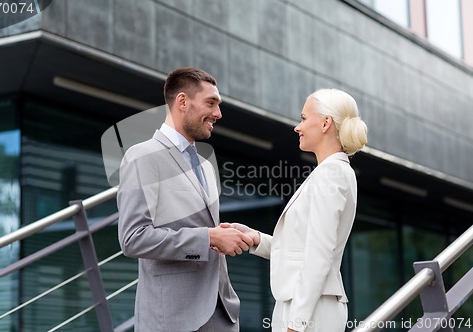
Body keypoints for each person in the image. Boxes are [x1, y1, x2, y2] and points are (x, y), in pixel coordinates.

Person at [117, 67, 253, 331]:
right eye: (211, 103)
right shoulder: (142, 157)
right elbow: (133, 238)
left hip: (222, 313)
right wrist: (209, 237)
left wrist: (223, 234)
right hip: (173, 319)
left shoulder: (206, 167)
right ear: (182, 101)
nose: (218, 113)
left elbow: (202, 226)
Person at [226, 89, 368, 332]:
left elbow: (320, 252)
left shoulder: (331, 173)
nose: (297, 127)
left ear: (325, 123)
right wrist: (255, 239)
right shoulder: (330, 171)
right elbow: (303, 249)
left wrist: (297, 324)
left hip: (310, 310)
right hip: (308, 304)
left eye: (303, 118)